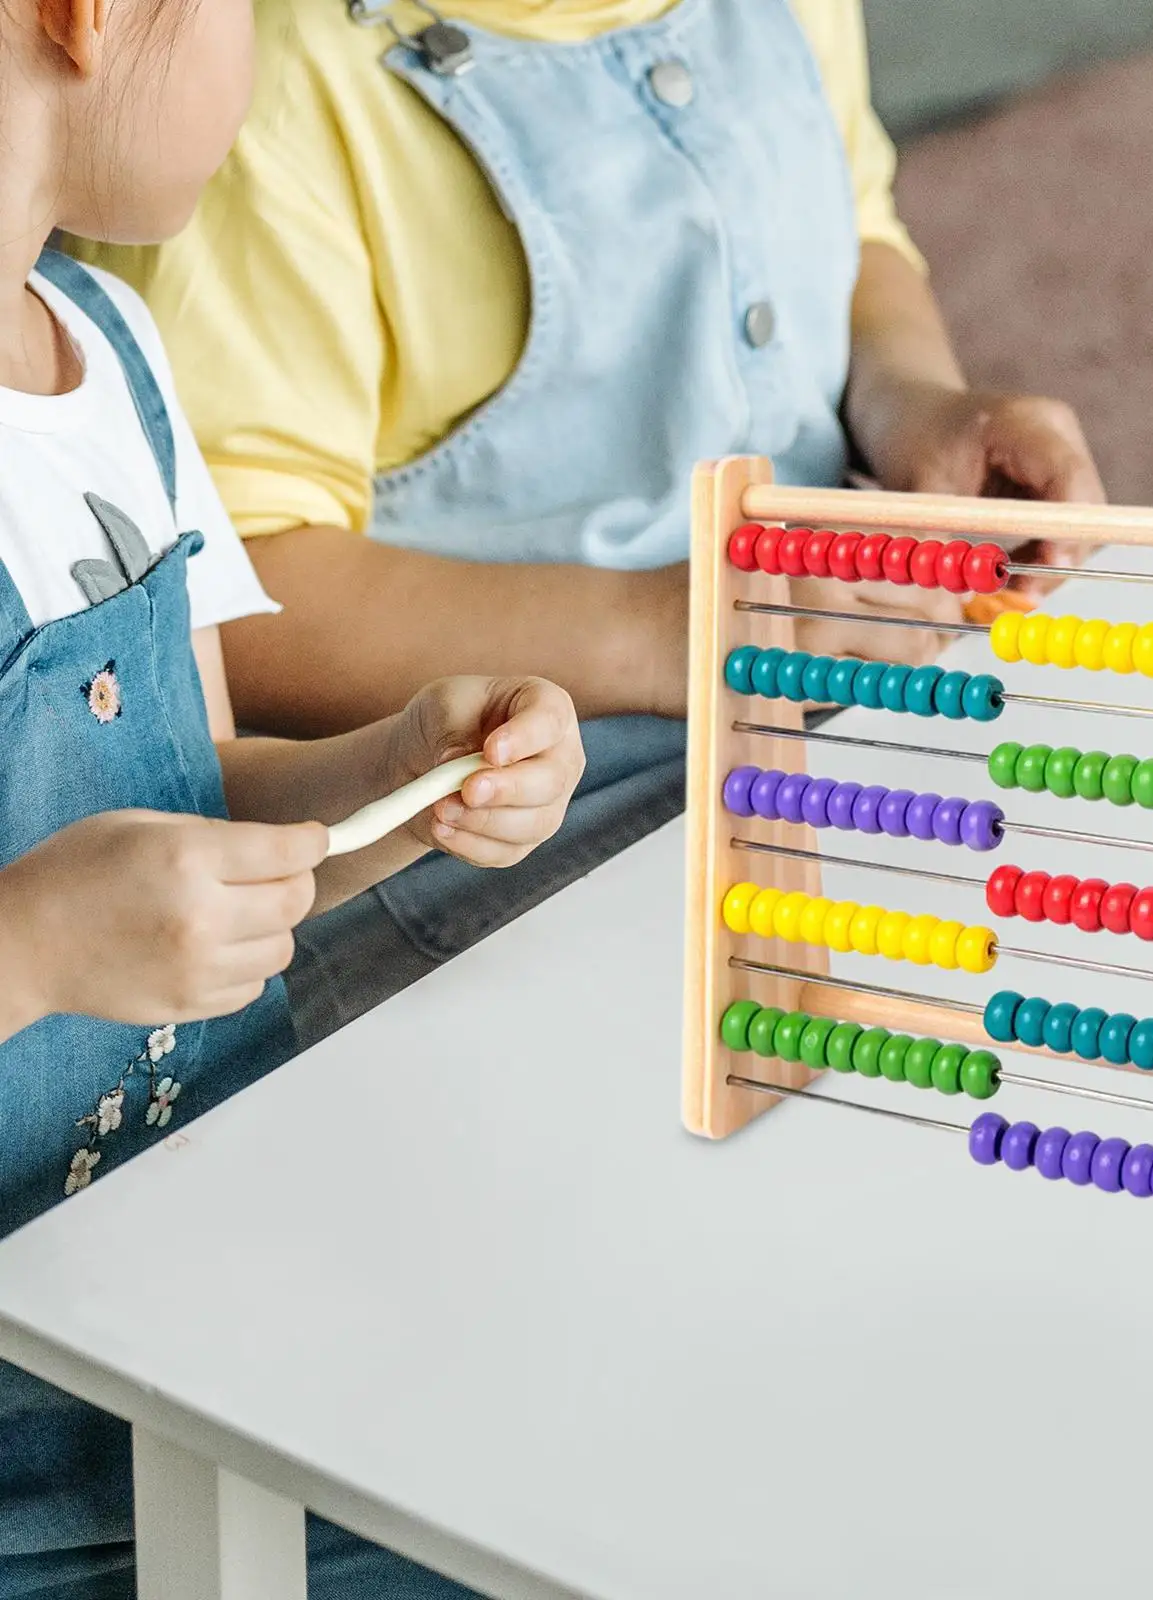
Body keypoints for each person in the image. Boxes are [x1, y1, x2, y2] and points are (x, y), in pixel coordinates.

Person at [77, 0, 1106, 1044]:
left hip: (823, 695)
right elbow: (229, 601)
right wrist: (670, 628)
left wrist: (919, 402)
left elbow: (855, 234)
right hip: (480, 836)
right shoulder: (262, 85)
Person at [0, 1, 583, 1591]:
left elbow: (208, 788)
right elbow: (86, 919)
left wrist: (400, 774)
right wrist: (39, 948)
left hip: (239, 1335)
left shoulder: (108, 354)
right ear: (89, 20)